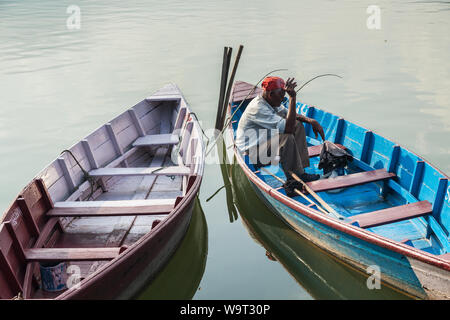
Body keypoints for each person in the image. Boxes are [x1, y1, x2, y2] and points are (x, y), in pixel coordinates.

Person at [235, 76, 325, 183]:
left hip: (264, 145)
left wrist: (310, 121)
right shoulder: (258, 108)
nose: (283, 98)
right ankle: (295, 178)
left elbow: (289, 115)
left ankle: (301, 169)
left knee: (298, 125)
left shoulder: (271, 101)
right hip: (250, 155)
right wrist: (292, 98)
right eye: (281, 94)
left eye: (284, 94)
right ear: (271, 94)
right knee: (287, 139)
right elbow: (288, 129)